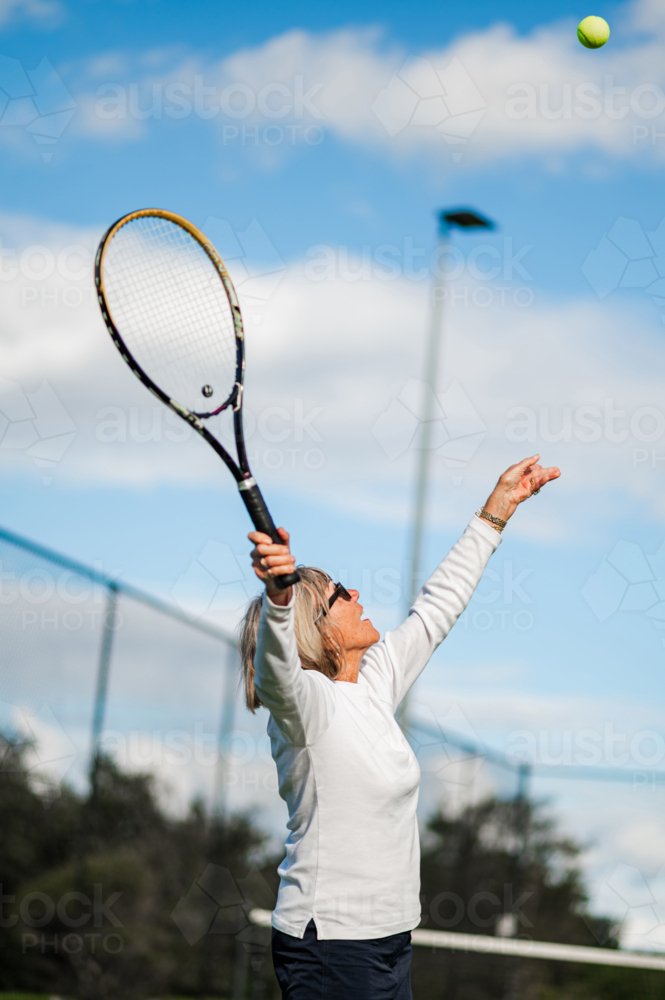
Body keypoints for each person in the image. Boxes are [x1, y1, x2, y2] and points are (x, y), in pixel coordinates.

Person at [239, 454, 560, 1000]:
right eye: (343, 595)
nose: (357, 595)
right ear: (316, 629)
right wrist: (278, 600)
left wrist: (495, 514)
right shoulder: (306, 704)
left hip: (388, 938)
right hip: (331, 945)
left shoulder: (374, 680)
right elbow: (276, 674)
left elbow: (437, 609)